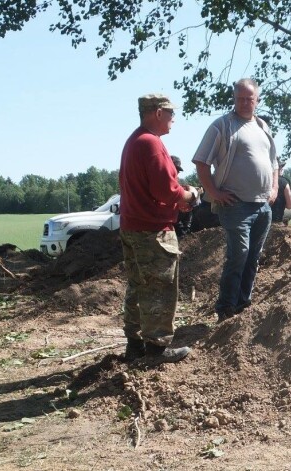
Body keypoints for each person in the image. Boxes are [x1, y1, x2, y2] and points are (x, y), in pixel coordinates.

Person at [119, 94, 199, 363]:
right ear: (156, 113)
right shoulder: (151, 144)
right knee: (160, 288)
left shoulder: (135, 141)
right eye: (170, 112)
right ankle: (156, 350)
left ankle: (135, 345)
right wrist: (190, 196)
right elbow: (166, 189)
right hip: (152, 231)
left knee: (138, 286)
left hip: (133, 227)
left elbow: (157, 190)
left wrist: (176, 198)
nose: (174, 117)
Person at [192, 78, 278, 322]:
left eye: (249, 98)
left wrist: (273, 189)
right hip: (235, 205)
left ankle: (243, 304)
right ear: (234, 99)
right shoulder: (222, 126)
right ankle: (226, 307)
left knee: (253, 256)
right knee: (239, 252)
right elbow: (201, 162)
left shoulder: (262, 127)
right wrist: (215, 193)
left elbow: (274, 163)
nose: (244, 102)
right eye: (239, 98)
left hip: (262, 204)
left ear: (257, 100)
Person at [172, 155, 194, 237]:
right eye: (175, 169)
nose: (176, 172)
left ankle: (184, 232)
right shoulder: (162, 181)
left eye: (178, 170)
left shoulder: (179, 182)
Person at [271, 160, 291, 224]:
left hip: (260, 219)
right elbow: (290, 205)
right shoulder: (284, 182)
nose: (282, 168)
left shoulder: (261, 179)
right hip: (276, 220)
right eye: (281, 166)